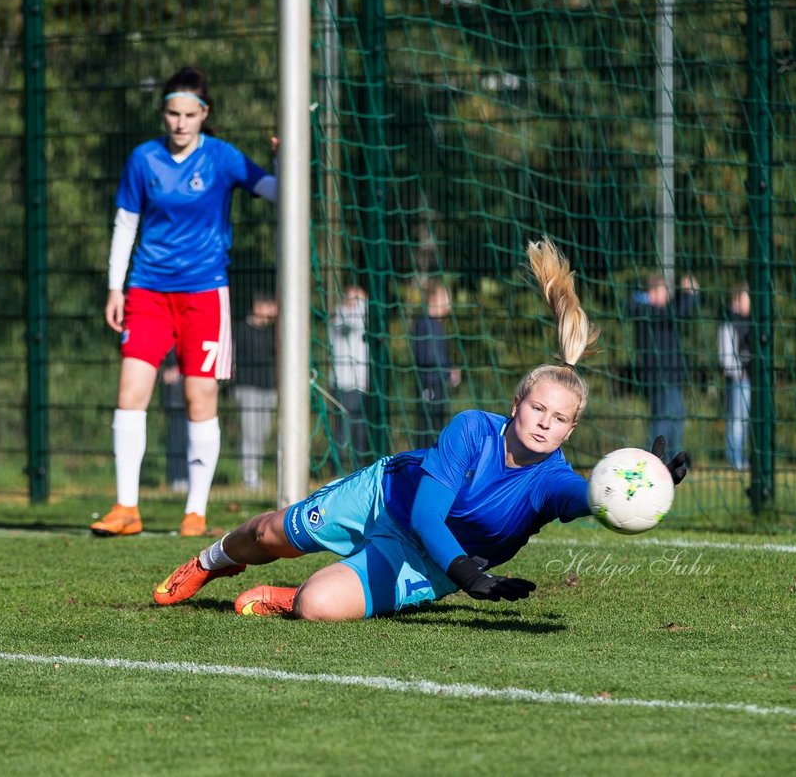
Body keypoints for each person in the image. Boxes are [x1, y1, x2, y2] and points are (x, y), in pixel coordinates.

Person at [150, 239, 690, 621]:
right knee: (272, 534)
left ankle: (287, 597)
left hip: (429, 560)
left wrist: (646, 482)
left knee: (318, 606)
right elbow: (427, 513)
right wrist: (469, 576)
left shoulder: (550, 480)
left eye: (559, 419)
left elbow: (591, 496)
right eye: (538, 409)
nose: (544, 424)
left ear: (571, 431)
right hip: (384, 499)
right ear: (516, 403)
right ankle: (209, 561)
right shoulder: (472, 429)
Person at [91, 66, 277, 538]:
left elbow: (274, 192)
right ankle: (125, 508)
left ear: (204, 114)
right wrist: (117, 287)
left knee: (200, 397)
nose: (179, 123)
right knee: (130, 393)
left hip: (204, 293)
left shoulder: (222, 157)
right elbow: (126, 224)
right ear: (164, 113)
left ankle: (195, 513)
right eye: (172, 113)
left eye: (189, 114)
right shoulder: (143, 159)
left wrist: (288, 159)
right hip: (147, 291)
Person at [629, 272, 698, 454]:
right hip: (658, 378)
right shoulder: (647, 311)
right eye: (663, 291)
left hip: (672, 377)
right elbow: (679, 313)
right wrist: (690, 294)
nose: (667, 295)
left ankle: (671, 462)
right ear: (652, 292)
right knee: (662, 423)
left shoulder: (657, 311)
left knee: (675, 421)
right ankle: (655, 462)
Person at [232, 290, 278, 491]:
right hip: (248, 387)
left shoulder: (275, 331)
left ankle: (256, 471)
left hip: (269, 389)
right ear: (258, 306)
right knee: (250, 432)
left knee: (263, 432)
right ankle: (249, 474)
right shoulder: (241, 329)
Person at [410, 282, 461, 449]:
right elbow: (430, 356)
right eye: (446, 298)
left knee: (436, 426)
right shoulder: (427, 324)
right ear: (435, 299)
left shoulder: (435, 325)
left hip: (436, 383)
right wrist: (448, 373)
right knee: (428, 427)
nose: (449, 304)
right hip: (430, 383)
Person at [329, 284, 370, 469]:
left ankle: (359, 467)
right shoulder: (340, 317)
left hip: (360, 384)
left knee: (360, 431)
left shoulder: (363, 319)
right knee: (341, 432)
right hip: (342, 384)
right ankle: (336, 468)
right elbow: (351, 322)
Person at [717, 284, 751, 470]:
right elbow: (726, 356)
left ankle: (740, 458)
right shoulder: (729, 321)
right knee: (736, 420)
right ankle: (734, 459)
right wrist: (738, 371)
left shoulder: (747, 322)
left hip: (747, 379)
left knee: (743, 421)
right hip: (738, 379)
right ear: (738, 298)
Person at [160, 351, 189, 493]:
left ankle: (189, 477)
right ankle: (177, 477)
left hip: (193, 389)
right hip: (176, 395)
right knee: (177, 437)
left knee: (192, 438)